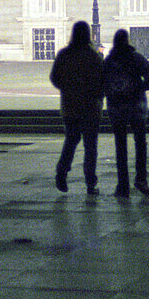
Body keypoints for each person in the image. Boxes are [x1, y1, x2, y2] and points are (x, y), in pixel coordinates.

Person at [102, 29, 149, 198]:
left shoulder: (109, 61)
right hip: (136, 106)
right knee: (140, 143)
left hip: (116, 108)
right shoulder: (136, 58)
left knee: (120, 146)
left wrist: (110, 93)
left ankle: (123, 185)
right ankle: (141, 179)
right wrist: (141, 88)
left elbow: (101, 82)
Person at [50, 21, 104, 195]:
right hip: (90, 108)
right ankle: (90, 182)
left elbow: (54, 77)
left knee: (71, 141)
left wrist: (67, 89)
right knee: (90, 147)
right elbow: (101, 81)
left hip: (70, 106)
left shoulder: (64, 54)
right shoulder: (92, 55)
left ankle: (62, 172)